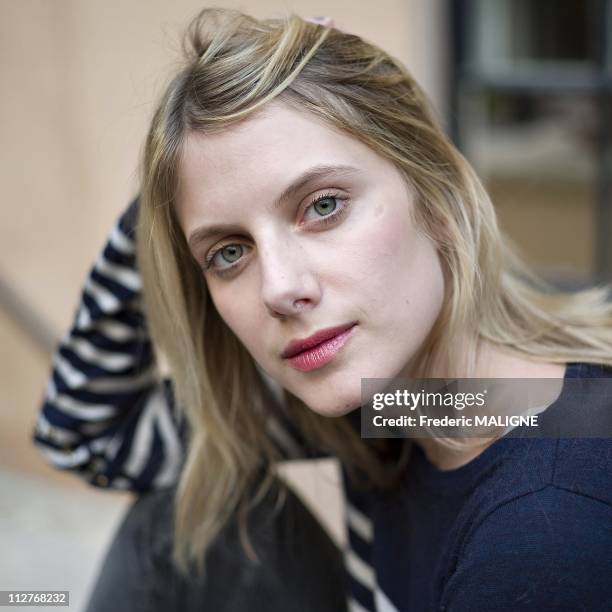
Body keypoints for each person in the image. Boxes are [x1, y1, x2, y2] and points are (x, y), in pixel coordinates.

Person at [32, 8, 612, 612]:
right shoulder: (408, 406)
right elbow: (88, 433)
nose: (279, 289)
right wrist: (168, 194)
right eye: (228, 250)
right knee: (181, 521)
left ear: (437, 198)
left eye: (324, 205)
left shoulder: (543, 542)